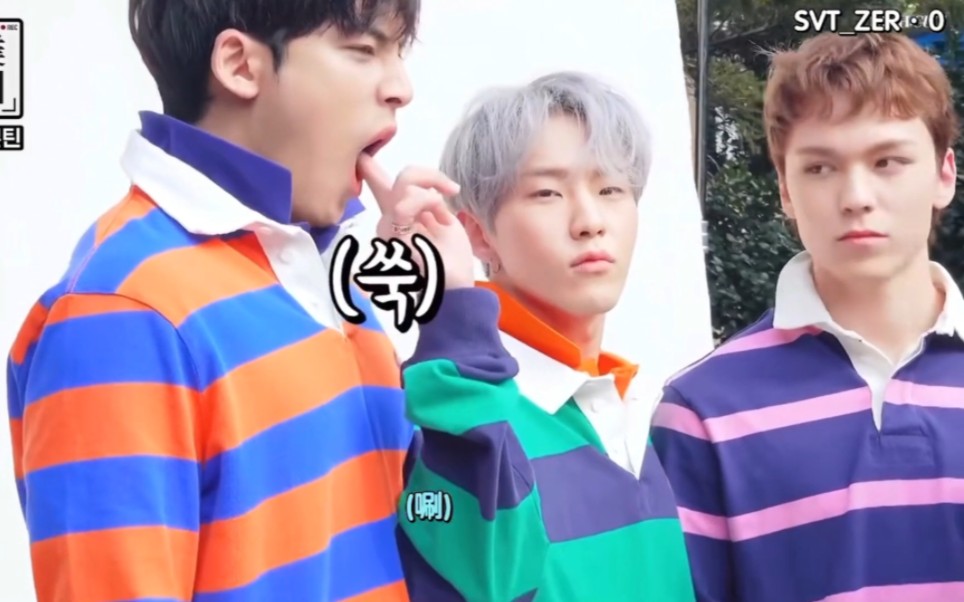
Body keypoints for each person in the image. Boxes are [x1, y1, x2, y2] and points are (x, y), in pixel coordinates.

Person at [5, 1, 435, 600]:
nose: (401, 88)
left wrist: (452, 317)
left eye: (398, 53)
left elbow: (447, 548)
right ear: (238, 64)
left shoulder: (325, 279)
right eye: (363, 50)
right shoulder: (121, 311)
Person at [651, 32, 964, 602]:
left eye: (888, 161)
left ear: (945, 174)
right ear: (785, 191)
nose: (856, 196)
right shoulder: (704, 411)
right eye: (820, 168)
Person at [374, 71, 696, 601]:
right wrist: (448, 301)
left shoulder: (641, 414)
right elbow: (474, 577)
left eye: (611, 189)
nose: (590, 220)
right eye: (547, 192)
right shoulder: (450, 419)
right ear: (477, 233)